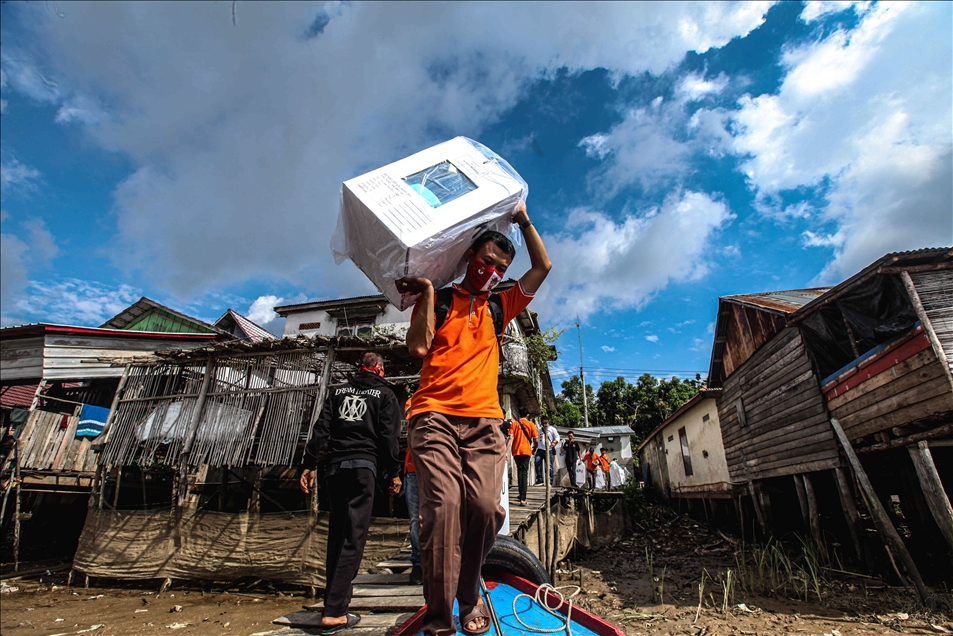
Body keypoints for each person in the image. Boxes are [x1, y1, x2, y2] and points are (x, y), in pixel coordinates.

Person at [397, 201, 552, 636]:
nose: (492, 272)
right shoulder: (442, 298)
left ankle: (470, 589)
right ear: (469, 257)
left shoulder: (502, 305)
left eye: (500, 267)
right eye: (486, 262)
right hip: (434, 418)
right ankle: (441, 619)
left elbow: (544, 265)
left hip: (485, 423)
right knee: (443, 510)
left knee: (486, 509)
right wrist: (427, 292)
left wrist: (523, 217)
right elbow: (417, 349)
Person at [299, 352, 403, 634]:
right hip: (362, 468)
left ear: (361, 368)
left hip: (334, 469)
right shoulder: (385, 395)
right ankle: (335, 611)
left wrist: (309, 463)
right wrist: (393, 472)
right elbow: (388, 438)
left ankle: (332, 604)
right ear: (380, 370)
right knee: (353, 538)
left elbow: (321, 429)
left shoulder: (338, 392)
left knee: (337, 534)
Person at [511, 408, 538, 506]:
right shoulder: (531, 425)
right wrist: (535, 448)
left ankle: (520, 493)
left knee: (520, 471)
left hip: (516, 451)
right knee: (524, 472)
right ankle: (523, 498)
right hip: (526, 450)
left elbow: (511, 437)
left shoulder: (514, 424)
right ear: (527, 415)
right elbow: (536, 439)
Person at [534, 416, 559, 486]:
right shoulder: (539, 430)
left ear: (547, 421)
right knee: (537, 462)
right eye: (542, 422)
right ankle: (539, 479)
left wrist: (554, 442)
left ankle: (550, 481)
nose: (543, 424)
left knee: (549, 465)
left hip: (549, 450)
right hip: (540, 449)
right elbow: (537, 438)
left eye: (545, 422)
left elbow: (557, 437)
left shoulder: (552, 429)